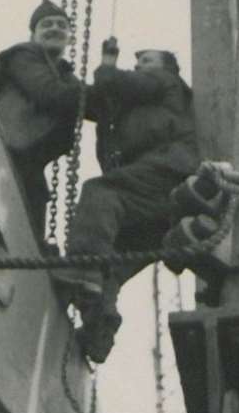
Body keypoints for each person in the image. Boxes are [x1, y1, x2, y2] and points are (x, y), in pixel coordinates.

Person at [55, 39, 199, 361]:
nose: (138, 66)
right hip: (156, 202)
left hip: (164, 174)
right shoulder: (133, 102)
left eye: (146, 60)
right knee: (114, 266)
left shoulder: (165, 83)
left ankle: (85, 269)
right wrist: (63, 76)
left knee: (101, 192)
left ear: (165, 68)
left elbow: (111, 81)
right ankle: (98, 330)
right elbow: (86, 100)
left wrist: (108, 62)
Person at [0, 0, 95, 244]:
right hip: (3, 155)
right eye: (46, 24)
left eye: (61, 25)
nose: (54, 28)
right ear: (33, 35)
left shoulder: (66, 76)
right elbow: (49, 93)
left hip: (28, 167)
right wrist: (107, 88)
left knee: (30, 231)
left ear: (69, 37)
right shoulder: (23, 56)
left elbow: (92, 104)